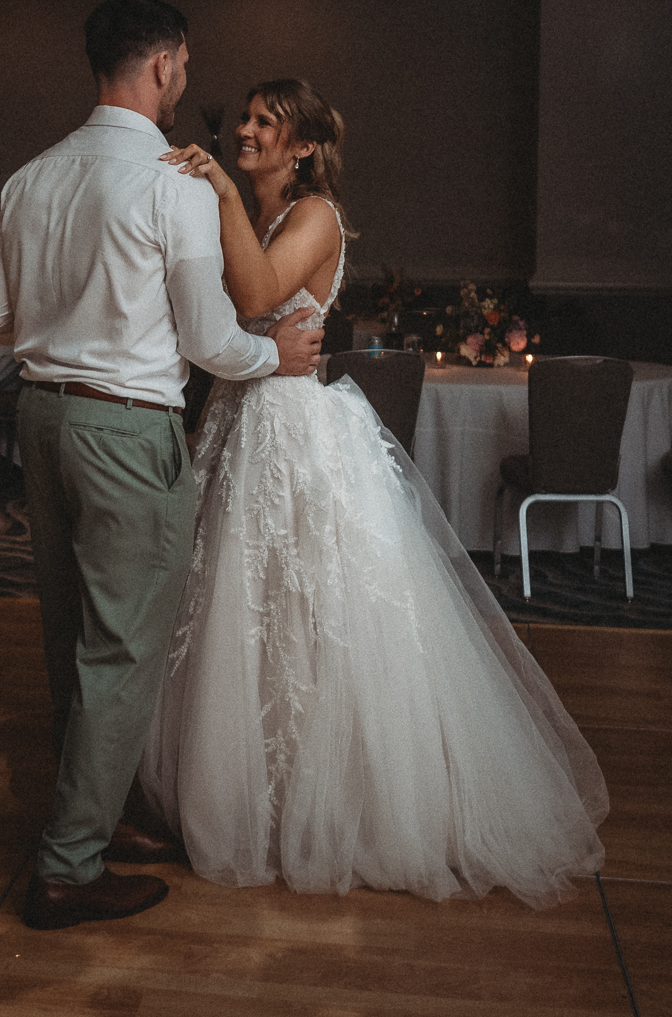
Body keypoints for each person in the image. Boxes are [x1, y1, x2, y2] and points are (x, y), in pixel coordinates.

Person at [145, 79, 609, 907]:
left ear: (304, 148)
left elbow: (254, 298)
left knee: (298, 609)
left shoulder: (313, 213)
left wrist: (214, 183)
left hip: (286, 428)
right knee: (231, 606)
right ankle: (228, 785)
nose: (244, 130)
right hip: (237, 416)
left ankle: (314, 802)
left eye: (263, 123)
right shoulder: (256, 218)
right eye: (244, 118)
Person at [0, 0, 324, 931]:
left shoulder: (29, 177)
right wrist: (274, 359)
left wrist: (70, 312)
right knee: (122, 646)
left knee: (71, 634)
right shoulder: (173, 184)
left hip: (39, 421)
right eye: (185, 67)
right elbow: (215, 339)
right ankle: (68, 866)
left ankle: (105, 811)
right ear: (166, 64)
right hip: (125, 429)